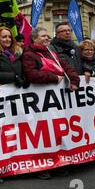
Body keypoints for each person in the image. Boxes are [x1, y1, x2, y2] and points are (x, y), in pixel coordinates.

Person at [21, 27, 80, 180]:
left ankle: (58, 163)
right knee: (41, 135)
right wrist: (53, 78)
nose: (47, 38)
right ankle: (41, 166)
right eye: (43, 36)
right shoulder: (28, 55)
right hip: (40, 105)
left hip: (55, 104)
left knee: (56, 133)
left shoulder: (52, 53)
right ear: (34, 38)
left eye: (48, 35)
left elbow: (67, 68)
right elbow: (31, 74)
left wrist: (74, 80)